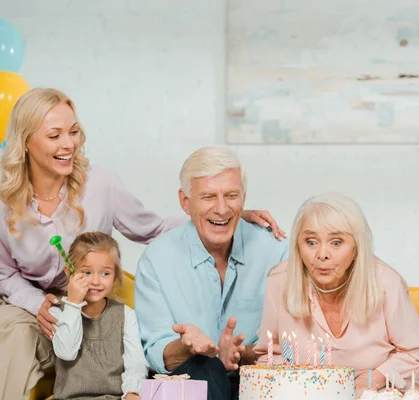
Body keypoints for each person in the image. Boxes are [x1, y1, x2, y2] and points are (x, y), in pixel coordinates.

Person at [0, 88, 281, 400]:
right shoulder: (3, 197)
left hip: (95, 295)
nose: (69, 144)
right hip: (29, 303)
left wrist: (227, 218)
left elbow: (154, 228)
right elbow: (4, 273)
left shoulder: (100, 184)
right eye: (55, 136)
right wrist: (37, 303)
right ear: (25, 141)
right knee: (13, 335)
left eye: (74, 132)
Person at [134, 146, 289, 400]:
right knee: (206, 368)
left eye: (231, 195)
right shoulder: (156, 259)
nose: (222, 209)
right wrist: (187, 348)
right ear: (185, 202)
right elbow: (156, 351)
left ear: (244, 197)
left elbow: (291, 341)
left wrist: (242, 354)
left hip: (255, 379)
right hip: (190, 382)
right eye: (208, 197)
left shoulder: (276, 251)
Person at [254, 193, 419, 398]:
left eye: (336, 243)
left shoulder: (386, 283)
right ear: (297, 246)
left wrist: (372, 380)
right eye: (311, 242)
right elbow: (269, 357)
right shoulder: (279, 281)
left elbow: (412, 354)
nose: (322, 254)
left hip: (382, 388)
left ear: (356, 246)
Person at [48, 232, 147, 400]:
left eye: (105, 273)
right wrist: (73, 303)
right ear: (69, 272)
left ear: (115, 274)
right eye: (86, 272)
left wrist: (132, 391)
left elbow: (135, 362)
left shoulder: (126, 315)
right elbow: (66, 352)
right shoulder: (57, 312)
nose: (95, 281)